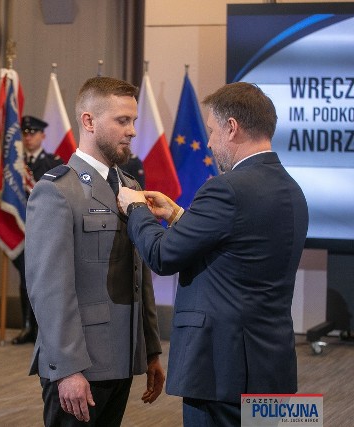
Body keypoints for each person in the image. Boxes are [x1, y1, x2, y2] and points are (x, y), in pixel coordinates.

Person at [117, 82, 309, 426]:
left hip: (222, 372)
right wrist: (178, 216)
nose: (207, 143)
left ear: (231, 127)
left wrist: (136, 210)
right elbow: (239, 246)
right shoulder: (292, 189)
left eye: (211, 131)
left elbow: (162, 256)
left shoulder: (226, 188)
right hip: (271, 367)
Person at [25, 76, 164, 426]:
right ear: (88, 121)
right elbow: (50, 289)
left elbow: (139, 275)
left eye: (133, 120)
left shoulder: (130, 187)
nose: (132, 130)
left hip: (121, 357)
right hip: (80, 363)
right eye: (122, 120)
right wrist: (68, 368)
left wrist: (149, 350)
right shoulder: (57, 190)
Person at [12, 115, 63, 345]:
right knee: (25, 279)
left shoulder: (54, 163)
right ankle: (27, 326)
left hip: (47, 231)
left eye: (33, 133)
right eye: (25, 133)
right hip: (22, 231)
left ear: (43, 136)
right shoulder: (14, 165)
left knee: (46, 281)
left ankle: (44, 329)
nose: (29, 137)